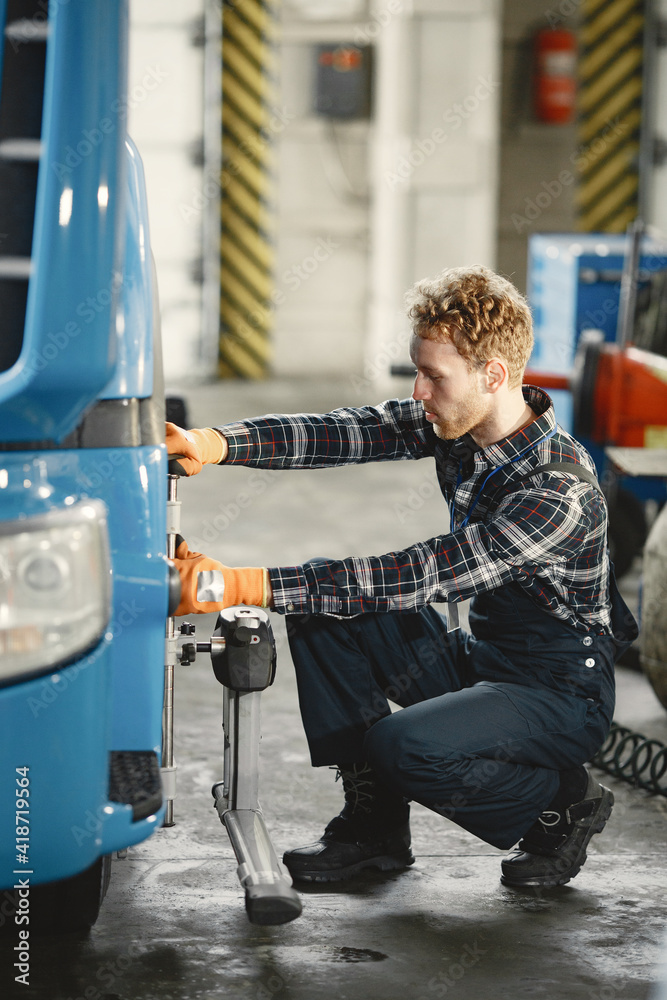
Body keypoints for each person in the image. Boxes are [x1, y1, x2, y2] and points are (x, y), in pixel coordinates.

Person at [166, 265, 637, 890]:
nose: (418, 391)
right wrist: (217, 441)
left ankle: (562, 803)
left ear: (493, 375)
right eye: (417, 372)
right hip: (491, 662)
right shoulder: (463, 424)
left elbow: (425, 573)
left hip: (559, 694)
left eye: (433, 376)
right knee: (320, 599)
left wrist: (240, 585)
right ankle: (374, 831)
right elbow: (341, 433)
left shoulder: (557, 491)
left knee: (401, 744)